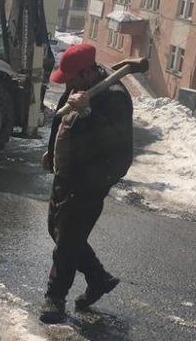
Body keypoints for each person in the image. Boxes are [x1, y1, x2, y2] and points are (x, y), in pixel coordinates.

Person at [39, 44, 134, 324]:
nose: (67, 85)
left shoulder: (114, 96)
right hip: (67, 169)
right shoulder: (78, 85)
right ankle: (98, 277)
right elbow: (61, 118)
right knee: (57, 229)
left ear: (85, 72)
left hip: (92, 177)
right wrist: (51, 151)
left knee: (67, 239)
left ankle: (55, 297)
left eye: (71, 79)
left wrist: (89, 112)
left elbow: (114, 139)